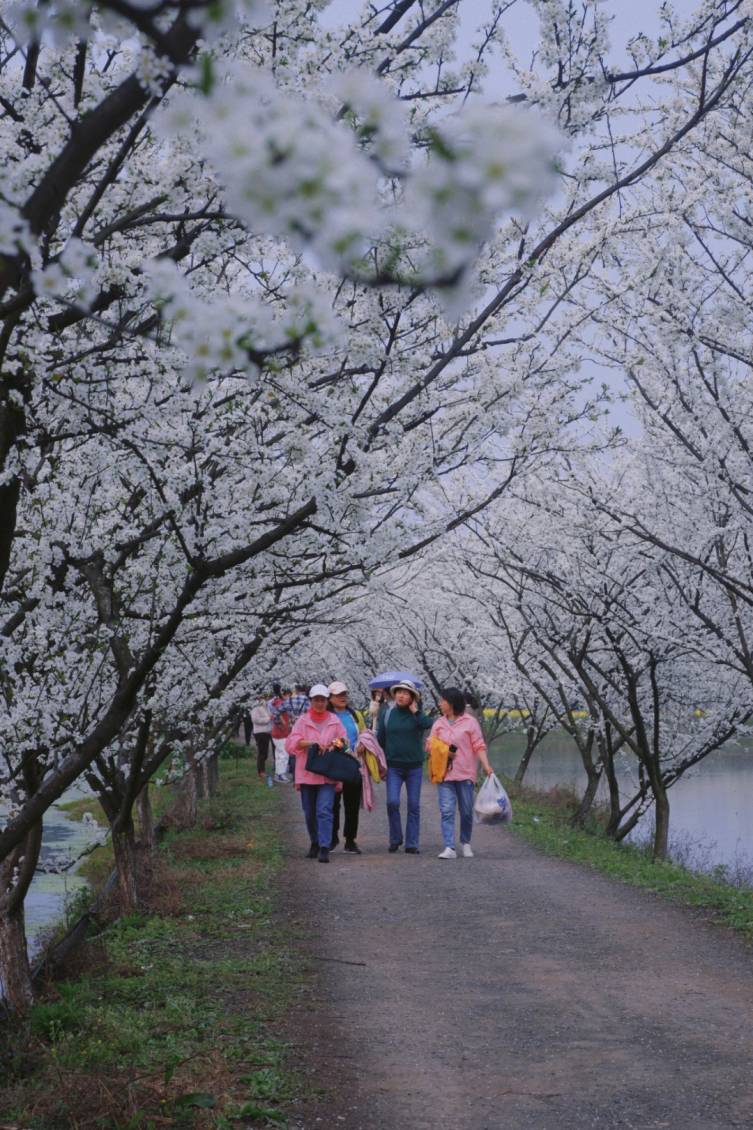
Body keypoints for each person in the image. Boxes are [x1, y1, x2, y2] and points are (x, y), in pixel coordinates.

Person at [429, 685, 493, 859]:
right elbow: (429, 745)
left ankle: (466, 843)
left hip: (465, 773)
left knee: (465, 810)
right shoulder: (438, 723)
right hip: (445, 774)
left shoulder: (470, 722)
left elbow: (479, 745)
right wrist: (443, 750)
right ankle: (449, 847)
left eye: (442, 701)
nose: (440, 704)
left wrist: (486, 766)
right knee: (447, 810)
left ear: (451, 703)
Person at [285, 684, 347, 863]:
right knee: (309, 811)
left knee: (324, 810)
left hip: (328, 773)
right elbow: (291, 744)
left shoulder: (335, 720)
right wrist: (310, 742)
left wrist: (332, 744)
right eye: (316, 700)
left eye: (323, 700)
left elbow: (345, 741)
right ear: (310, 701)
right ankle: (315, 842)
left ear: (327, 701)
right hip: (307, 773)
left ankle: (324, 846)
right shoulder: (303, 721)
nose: (319, 703)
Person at [377, 680, 432, 854]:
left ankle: (412, 843)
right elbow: (380, 741)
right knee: (392, 802)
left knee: (413, 805)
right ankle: (395, 838)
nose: (401, 695)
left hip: (414, 767)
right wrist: (381, 764)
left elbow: (428, 724)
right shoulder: (387, 716)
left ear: (412, 698)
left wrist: (415, 711)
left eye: (406, 693)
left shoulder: (416, 716)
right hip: (393, 766)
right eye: (399, 692)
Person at [328, 681, 366, 855]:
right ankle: (333, 838)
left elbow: (364, 734)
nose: (342, 697)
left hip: (353, 764)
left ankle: (350, 840)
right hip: (334, 764)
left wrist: (364, 745)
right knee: (333, 804)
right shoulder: (327, 715)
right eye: (338, 695)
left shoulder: (355, 715)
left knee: (352, 804)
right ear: (330, 698)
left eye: (344, 694)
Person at [273, 685, 311, 779]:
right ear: (306, 689)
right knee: (306, 753)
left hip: (293, 730)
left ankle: (295, 777)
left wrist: (279, 724)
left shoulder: (288, 701)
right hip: (307, 731)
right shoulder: (310, 702)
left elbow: (276, 712)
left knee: (294, 754)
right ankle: (305, 775)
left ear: (296, 689)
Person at [270, 686, 292, 782]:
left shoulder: (278, 703)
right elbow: (277, 714)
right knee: (283, 754)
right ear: (282, 695)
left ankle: (278, 773)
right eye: (288, 695)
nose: (289, 697)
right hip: (281, 733)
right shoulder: (281, 703)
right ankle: (280, 774)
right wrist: (283, 724)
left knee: (279, 753)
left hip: (278, 733)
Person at [250, 694, 272, 777]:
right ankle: (261, 770)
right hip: (260, 731)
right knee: (262, 751)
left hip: (266, 730)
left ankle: (262, 769)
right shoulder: (256, 706)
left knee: (265, 751)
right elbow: (255, 719)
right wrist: (268, 719)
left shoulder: (264, 704)